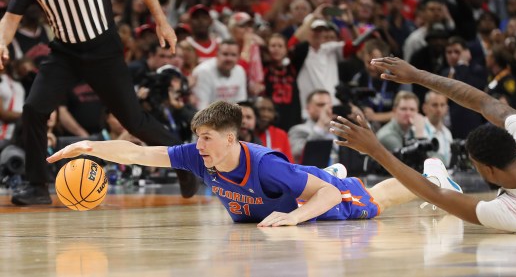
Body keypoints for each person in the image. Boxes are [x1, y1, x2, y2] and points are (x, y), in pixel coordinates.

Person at [0, 0, 197, 205]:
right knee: (34, 108)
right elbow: (10, 17)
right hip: (65, 54)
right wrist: (2, 42)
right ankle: (38, 186)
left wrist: (161, 21)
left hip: (104, 53)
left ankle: (182, 162)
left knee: (134, 121)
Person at [46, 100, 450, 226]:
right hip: (293, 188)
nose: (197, 145)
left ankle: (435, 178)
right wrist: (88, 147)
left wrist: (295, 218)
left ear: (229, 140)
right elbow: (138, 153)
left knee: (374, 202)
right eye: (197, 137)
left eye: (206, 138)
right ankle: (317, 179)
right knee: (312, 184)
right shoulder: (198, 155)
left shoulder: (264, 164)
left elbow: (325, 195)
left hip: (315, 195)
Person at [331, 57, 516, 232]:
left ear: (487, 170)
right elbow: (483, 102)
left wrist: (375, 150)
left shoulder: (511, 215)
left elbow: (433, 193)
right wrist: (417, 75)